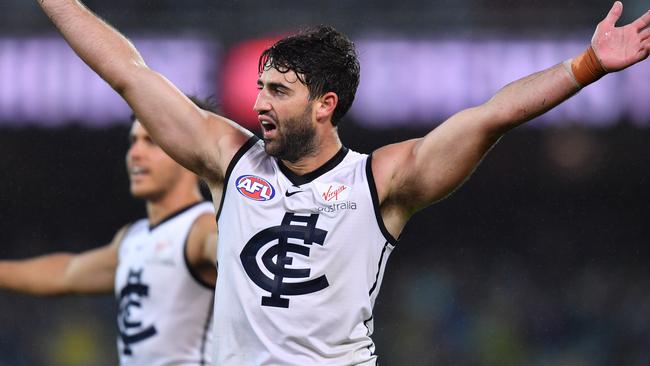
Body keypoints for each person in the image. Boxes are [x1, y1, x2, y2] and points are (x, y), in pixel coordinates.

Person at [36, 0, 650, 364]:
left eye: (278, 92)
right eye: (259, 89)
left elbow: (493, 114)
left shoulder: (378, 181)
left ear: (325, 104)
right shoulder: (231, 161)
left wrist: (588, 64)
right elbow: (127, 73)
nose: (258, 105)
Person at [0, 105, 220, 365]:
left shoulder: (203, 226)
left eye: (151, 142)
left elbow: (235, 256)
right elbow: (65, 273)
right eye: (133, 141)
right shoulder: (133, 238)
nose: (135, 154)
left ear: (187, 153)